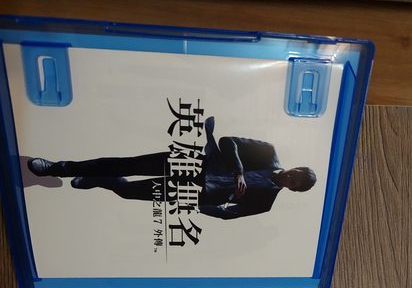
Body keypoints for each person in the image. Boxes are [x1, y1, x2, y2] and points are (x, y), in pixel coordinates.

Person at [27, 117, 317, 220]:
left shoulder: (265, 202)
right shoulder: (268, 152)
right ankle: (57, 168)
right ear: (296, 166)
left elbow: (229, 215)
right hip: (193, 162)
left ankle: (102, 180)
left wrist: (205, 204)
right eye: (296, 171)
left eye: (295, 181)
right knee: (128, 164)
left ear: (294, 190)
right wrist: (239, 171)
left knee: (129, 192)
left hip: (192, 193)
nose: (291, 176)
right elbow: (228, 141)